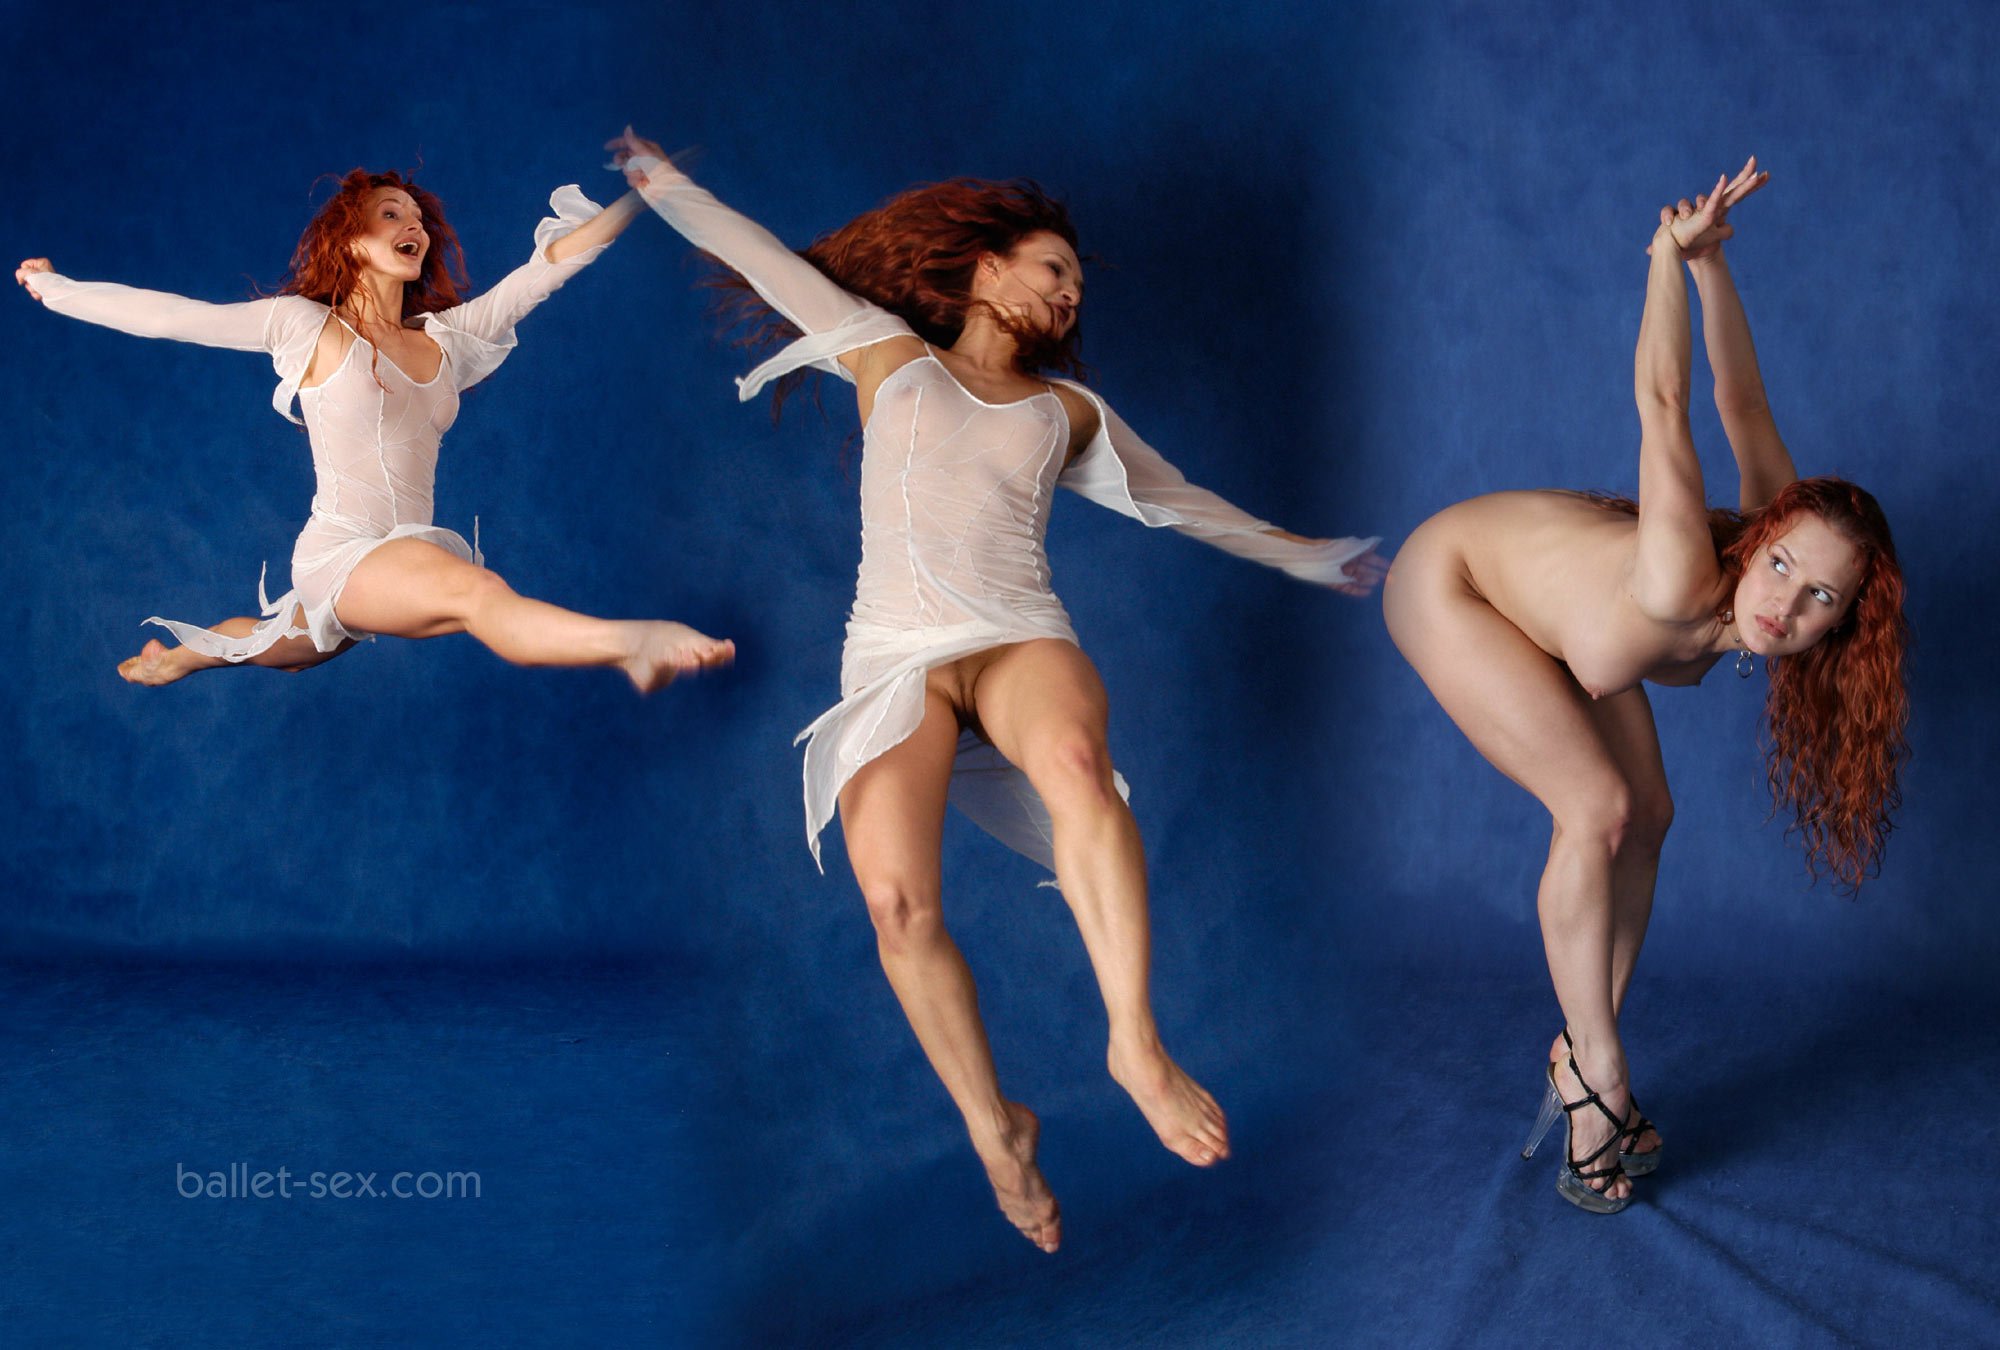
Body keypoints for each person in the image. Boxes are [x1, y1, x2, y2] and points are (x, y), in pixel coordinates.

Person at [607, 129, 1385, 1251]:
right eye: (1053, 269)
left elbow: (1184, 504)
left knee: (1075, 764)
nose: (1068, 294)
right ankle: (995, 1126)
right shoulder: (885, 355)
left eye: (1077, 287)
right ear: (985, 268)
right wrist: (665, 183)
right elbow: (764, 260)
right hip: (895, 658)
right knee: (896, 905)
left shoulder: (1068, 413)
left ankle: (1134, 1045)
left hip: (1018, 635)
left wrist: (1316, 559)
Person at [1382, 159, 1908, 1213]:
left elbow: (1742, 399)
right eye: (1779, 567)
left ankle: (1582, 1057)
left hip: (1565, 629)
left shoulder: (1764, 550)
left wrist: (1717, 268)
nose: (1784, 605)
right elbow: (1666, 400)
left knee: (1648, 813)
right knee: (1596, 808)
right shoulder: (1679, 576)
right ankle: (1599, 1079)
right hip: (1452, 582)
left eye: (1819, 598)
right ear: (1761, 538)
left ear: (1844, 620)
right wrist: (1667, 256)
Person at [16, 168, 733, 691]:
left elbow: (544, 270)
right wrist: (55, 288)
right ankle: (631, 645)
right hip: (341, 552)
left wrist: (642, 198)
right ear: (351, 239)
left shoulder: (448, 342)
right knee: (477, 595)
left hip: (397, 555)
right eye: (391, 214)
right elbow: (171, 317)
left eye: (418, 218)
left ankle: (175, 660)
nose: (412, 226)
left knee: (277, 648)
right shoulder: (304, 326)